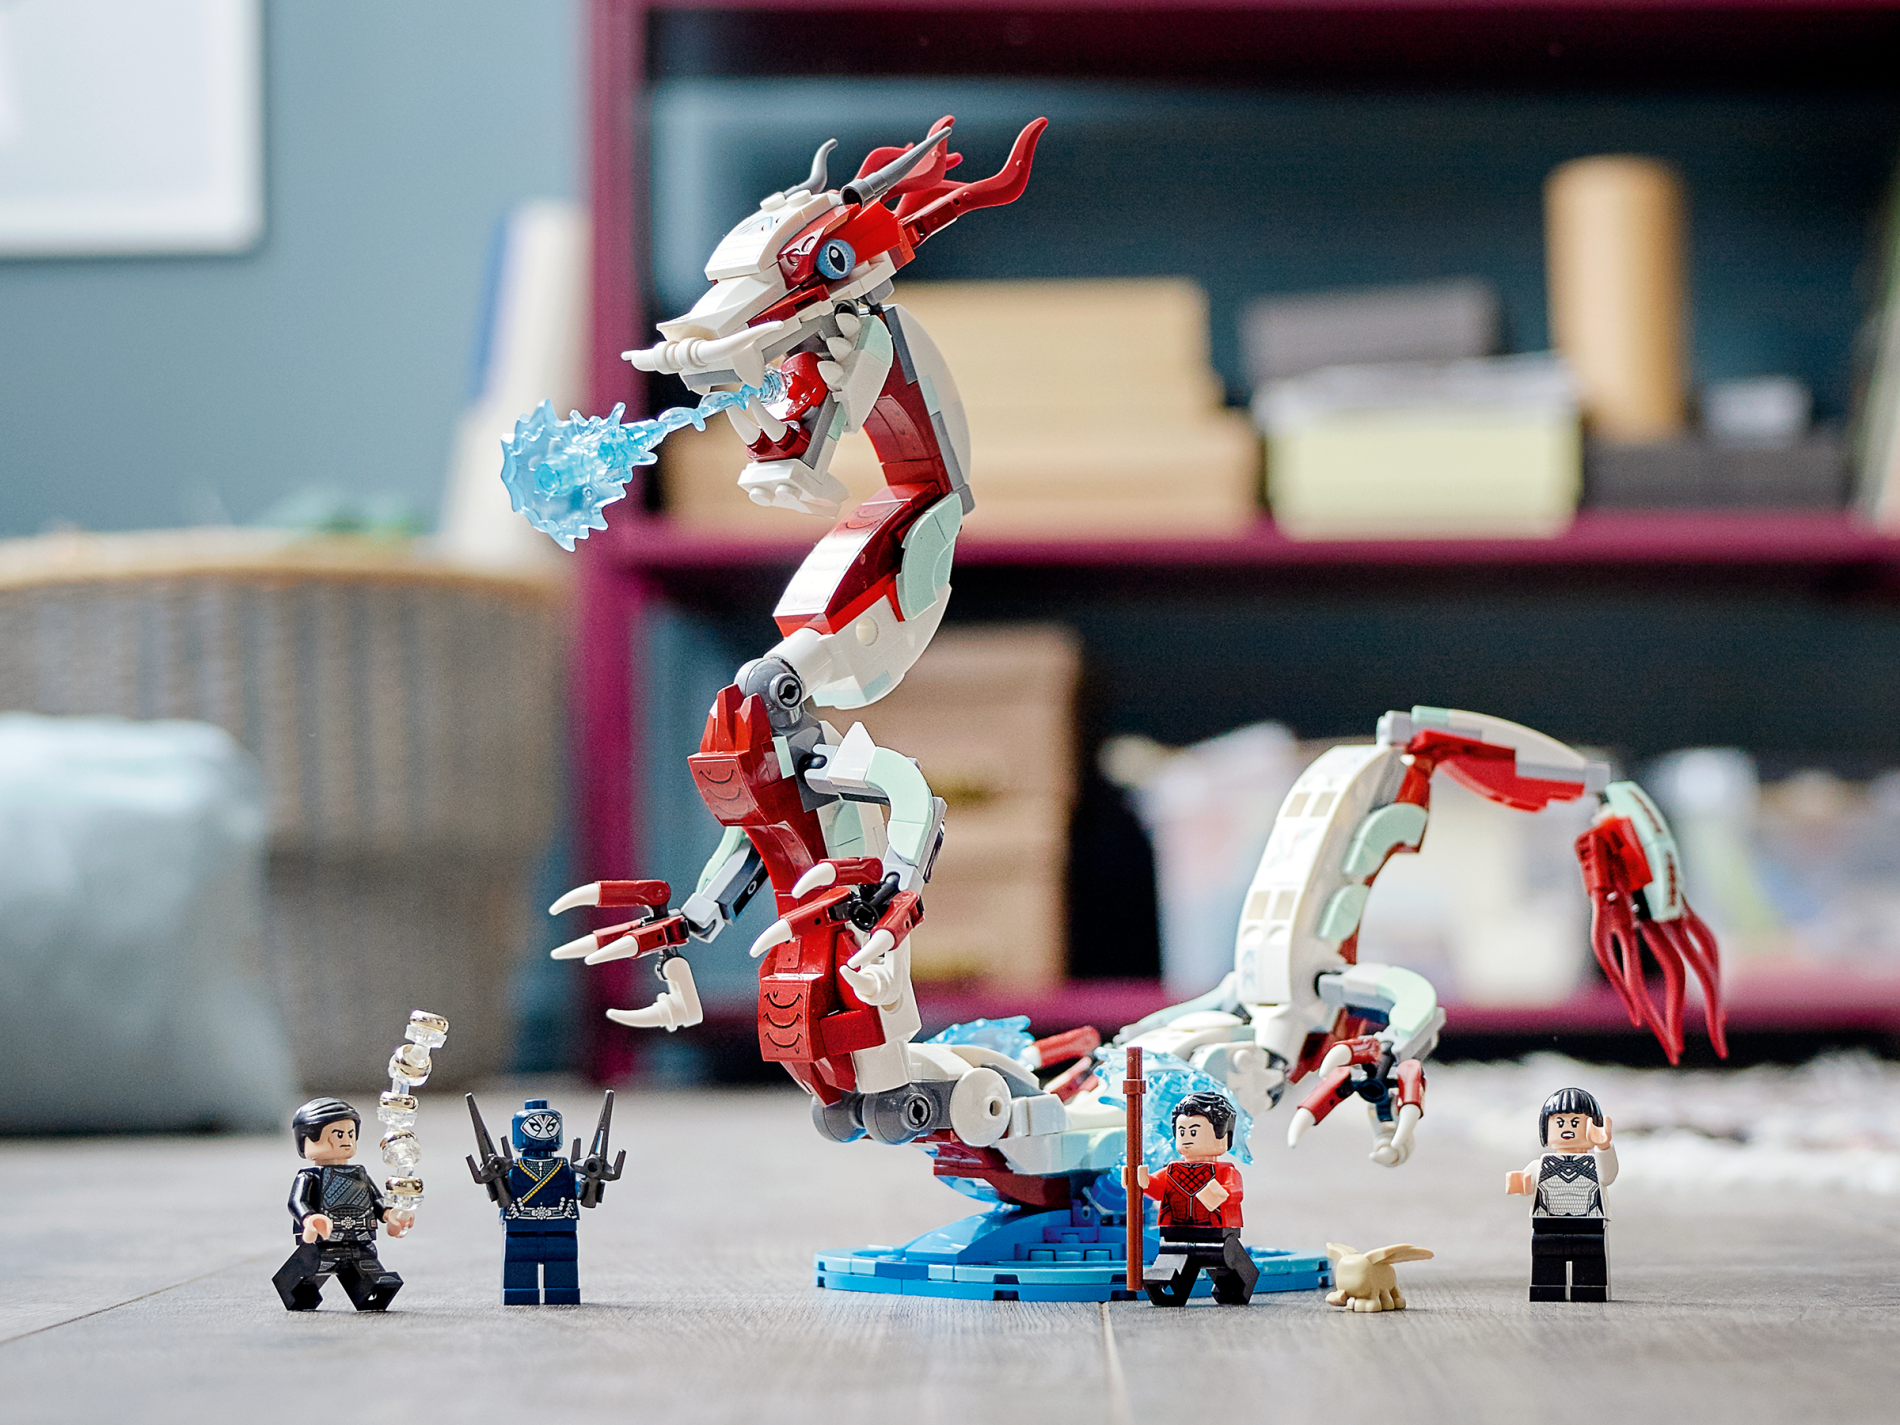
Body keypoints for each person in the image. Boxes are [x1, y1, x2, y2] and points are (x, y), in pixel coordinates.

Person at [271, 1097, 411, 1311]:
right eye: (338, 1135)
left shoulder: (359, 1174)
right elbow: (297, 1201)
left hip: (358, 1239)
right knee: (312, 1265)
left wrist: (389, 1214)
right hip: (323, 1240)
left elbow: (376, 1199)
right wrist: (309, 1219)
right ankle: (296, 1290)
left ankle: (369, 1291)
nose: (346, 1140)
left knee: (368, 1269)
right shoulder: (310, 1176)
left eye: (350, 1134)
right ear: (306, 1139)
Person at [1136, 1089, 1259, 1306]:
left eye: (1194, 1132)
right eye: (1181, 1132)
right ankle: (1169, 1290)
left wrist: (1220, 1194)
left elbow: (1234, 1191)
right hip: (1175, 1232)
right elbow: (1156, 1188)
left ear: (1224, 1136)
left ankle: (1234, 1287)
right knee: (1168, 1263)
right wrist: (1141, 1181)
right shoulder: (1171, 1171)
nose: (1186, 1139)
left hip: (1216, 1234)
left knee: (1225, 1262)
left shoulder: (1225, 1172)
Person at [1506, 1086, 1616, 1302]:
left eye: (1576, 1122)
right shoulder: (1541, 1164)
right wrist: (1521, 1184)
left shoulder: (1595, 1162)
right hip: (1547, 1224)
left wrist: (1604, 1146)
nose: (1567, 1128)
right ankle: (1547, 1289)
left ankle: (1590, 1289)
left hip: (1589, 1224)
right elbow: (1527, 1184)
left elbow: (1608, 1176)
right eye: (1559, 1122)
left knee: (1590, 1259)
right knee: (1546, 1259)